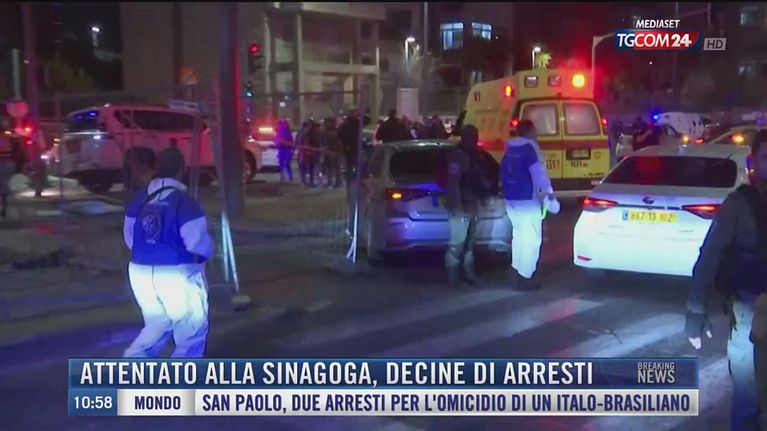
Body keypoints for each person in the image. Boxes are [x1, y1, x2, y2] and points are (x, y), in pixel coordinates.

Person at [686, 130, 767, 431]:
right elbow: (710, 255)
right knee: (747, 396)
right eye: (766, 157)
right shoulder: (739, 205)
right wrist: (695, 312)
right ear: (753, 162)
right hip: (750, 310)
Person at [122, 147, 214, 358]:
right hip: (177, 272)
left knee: (158, 323)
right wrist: (210, 249)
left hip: (140, 272)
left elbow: (130, 238)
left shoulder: (140, 199)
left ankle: (132, 366)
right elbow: (196, 243)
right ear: (182, 169)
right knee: (191, 330)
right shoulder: (184, 202)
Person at [500, 120, 558, 290]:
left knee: (518, 236)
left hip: (511, 200)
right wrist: (549, 196)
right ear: (531, 132)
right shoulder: (530, 150)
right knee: (531, 239)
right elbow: (540, 176)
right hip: (527, 201)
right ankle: (526, 277)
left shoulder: (510, 150)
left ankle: (517, 270)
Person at [443, 124, 496, 288]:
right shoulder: (457, 156)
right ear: (465, 137)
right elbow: (453, 183)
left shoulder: (474, 155)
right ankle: (453, 278)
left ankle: (468, 274)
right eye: (472, 137)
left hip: (471, 202)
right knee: (457, 243)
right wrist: (457, 208)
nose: (475, 140)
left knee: (470, 242)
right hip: (460, 205)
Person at [339, 109, 363, 234]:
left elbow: (340, 134)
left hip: (350, 149)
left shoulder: (349, 124)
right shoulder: (356, 124)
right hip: (354, 148)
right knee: (353, 163)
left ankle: (351, 177)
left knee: (350, 164)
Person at [0, 119, 20, 219]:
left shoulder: (8, 137)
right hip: (10, 162)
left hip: (3, 163)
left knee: (4, 187)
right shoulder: (10, 137)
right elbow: (18, 149)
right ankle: (5, 206)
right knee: (5, 186)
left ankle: (4, 207)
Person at [319, 117, 342, 189]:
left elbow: (338, 143)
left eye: (328, 122)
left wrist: (334, 150)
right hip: (327, 152)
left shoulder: (336, 132)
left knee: (336, 168)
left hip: (335, 152)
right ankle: (330, 182)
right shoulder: (324, 132)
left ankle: (338, 182)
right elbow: (322, 142)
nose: (327, 124)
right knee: (329, 169)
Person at [275, 118, 294, 182]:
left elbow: (291, 142)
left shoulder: (287, 133)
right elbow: (276, 140)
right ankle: (283, 177)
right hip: (282, 149)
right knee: (282, 164)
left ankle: (289, 177)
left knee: (286, 164)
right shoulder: (279, 132)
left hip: (286, 149)